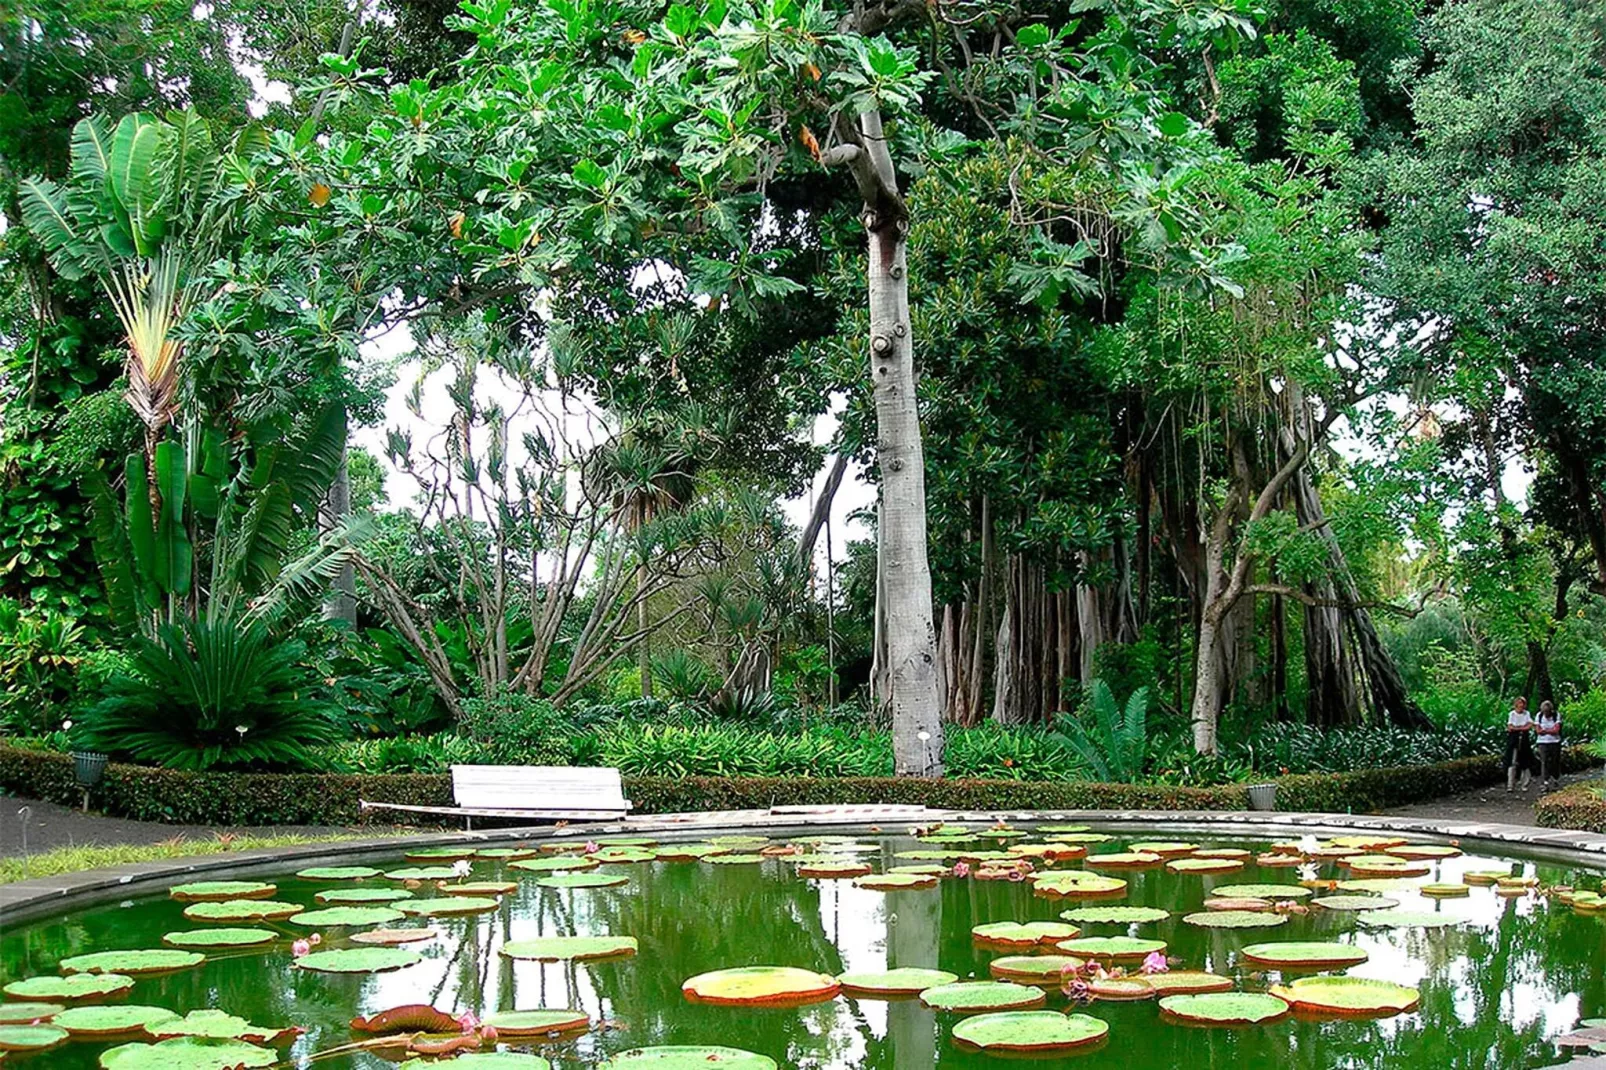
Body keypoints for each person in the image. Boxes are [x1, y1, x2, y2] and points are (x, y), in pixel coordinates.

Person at [1504, 696, 1533, 793]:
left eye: (1523, 703)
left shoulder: (1527, 714)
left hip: (1524, 740)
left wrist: (1518, 728)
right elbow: (1510, 727)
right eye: (1519, 703)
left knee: (1525, 762)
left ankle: (1524, 784)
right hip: (1513, 740)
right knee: (1512, 761)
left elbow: (1529, 725)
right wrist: (1520, 728)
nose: (1521, 705)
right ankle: (1510, 785)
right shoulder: (1512, 714)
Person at [1535, 700, 1562, 790]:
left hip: (1555, 742)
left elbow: (1556, 730)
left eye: (1548, 712)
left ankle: (1555, 779)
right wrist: (1550, 730)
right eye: (1545, 712)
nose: (1546, 714)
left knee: (1555, 761)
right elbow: (1538, 730)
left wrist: (1545, 731)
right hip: (1542, 742)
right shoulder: (1539, 716)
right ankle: (1545, 781)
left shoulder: (1556, 715)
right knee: (1544, 762)